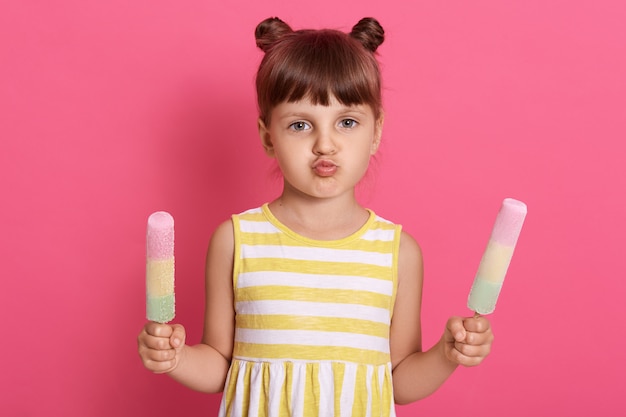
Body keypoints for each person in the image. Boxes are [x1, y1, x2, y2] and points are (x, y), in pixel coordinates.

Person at [138, 16, 494, 417]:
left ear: (375, 131)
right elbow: (221, 366)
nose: (325, 144)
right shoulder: (237, 241)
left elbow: (399, 379)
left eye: (346, 122)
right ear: (268, 136)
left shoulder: (398, 253)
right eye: (300, 124)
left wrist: (447, 355)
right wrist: (176, 357)